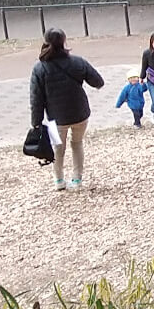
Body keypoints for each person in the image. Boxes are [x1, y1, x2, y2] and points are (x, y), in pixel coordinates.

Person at [29, 29, 105, 192]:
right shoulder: (77, 62)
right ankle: (77, 180)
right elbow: (98, 81)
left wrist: (36, 123)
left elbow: (36, 99)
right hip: (80, 114)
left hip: (55, 119)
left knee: (58, 148)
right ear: (64, 41)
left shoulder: (39, 68)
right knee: (77, 144)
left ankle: (59, 180)